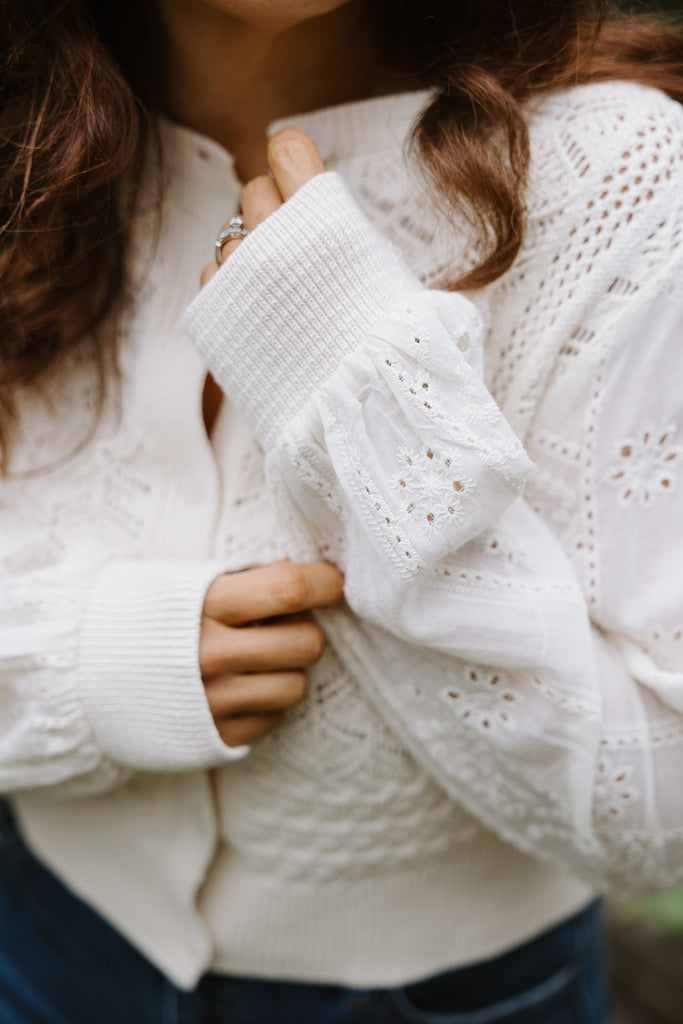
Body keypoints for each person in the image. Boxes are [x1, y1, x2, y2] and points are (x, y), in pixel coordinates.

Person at [1, 0, 683, 1020]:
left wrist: (344, 383)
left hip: (456, 996)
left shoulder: (615, 168)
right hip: (39, 936)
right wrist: (80, 667)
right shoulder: (20, 128)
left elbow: (658, 808)